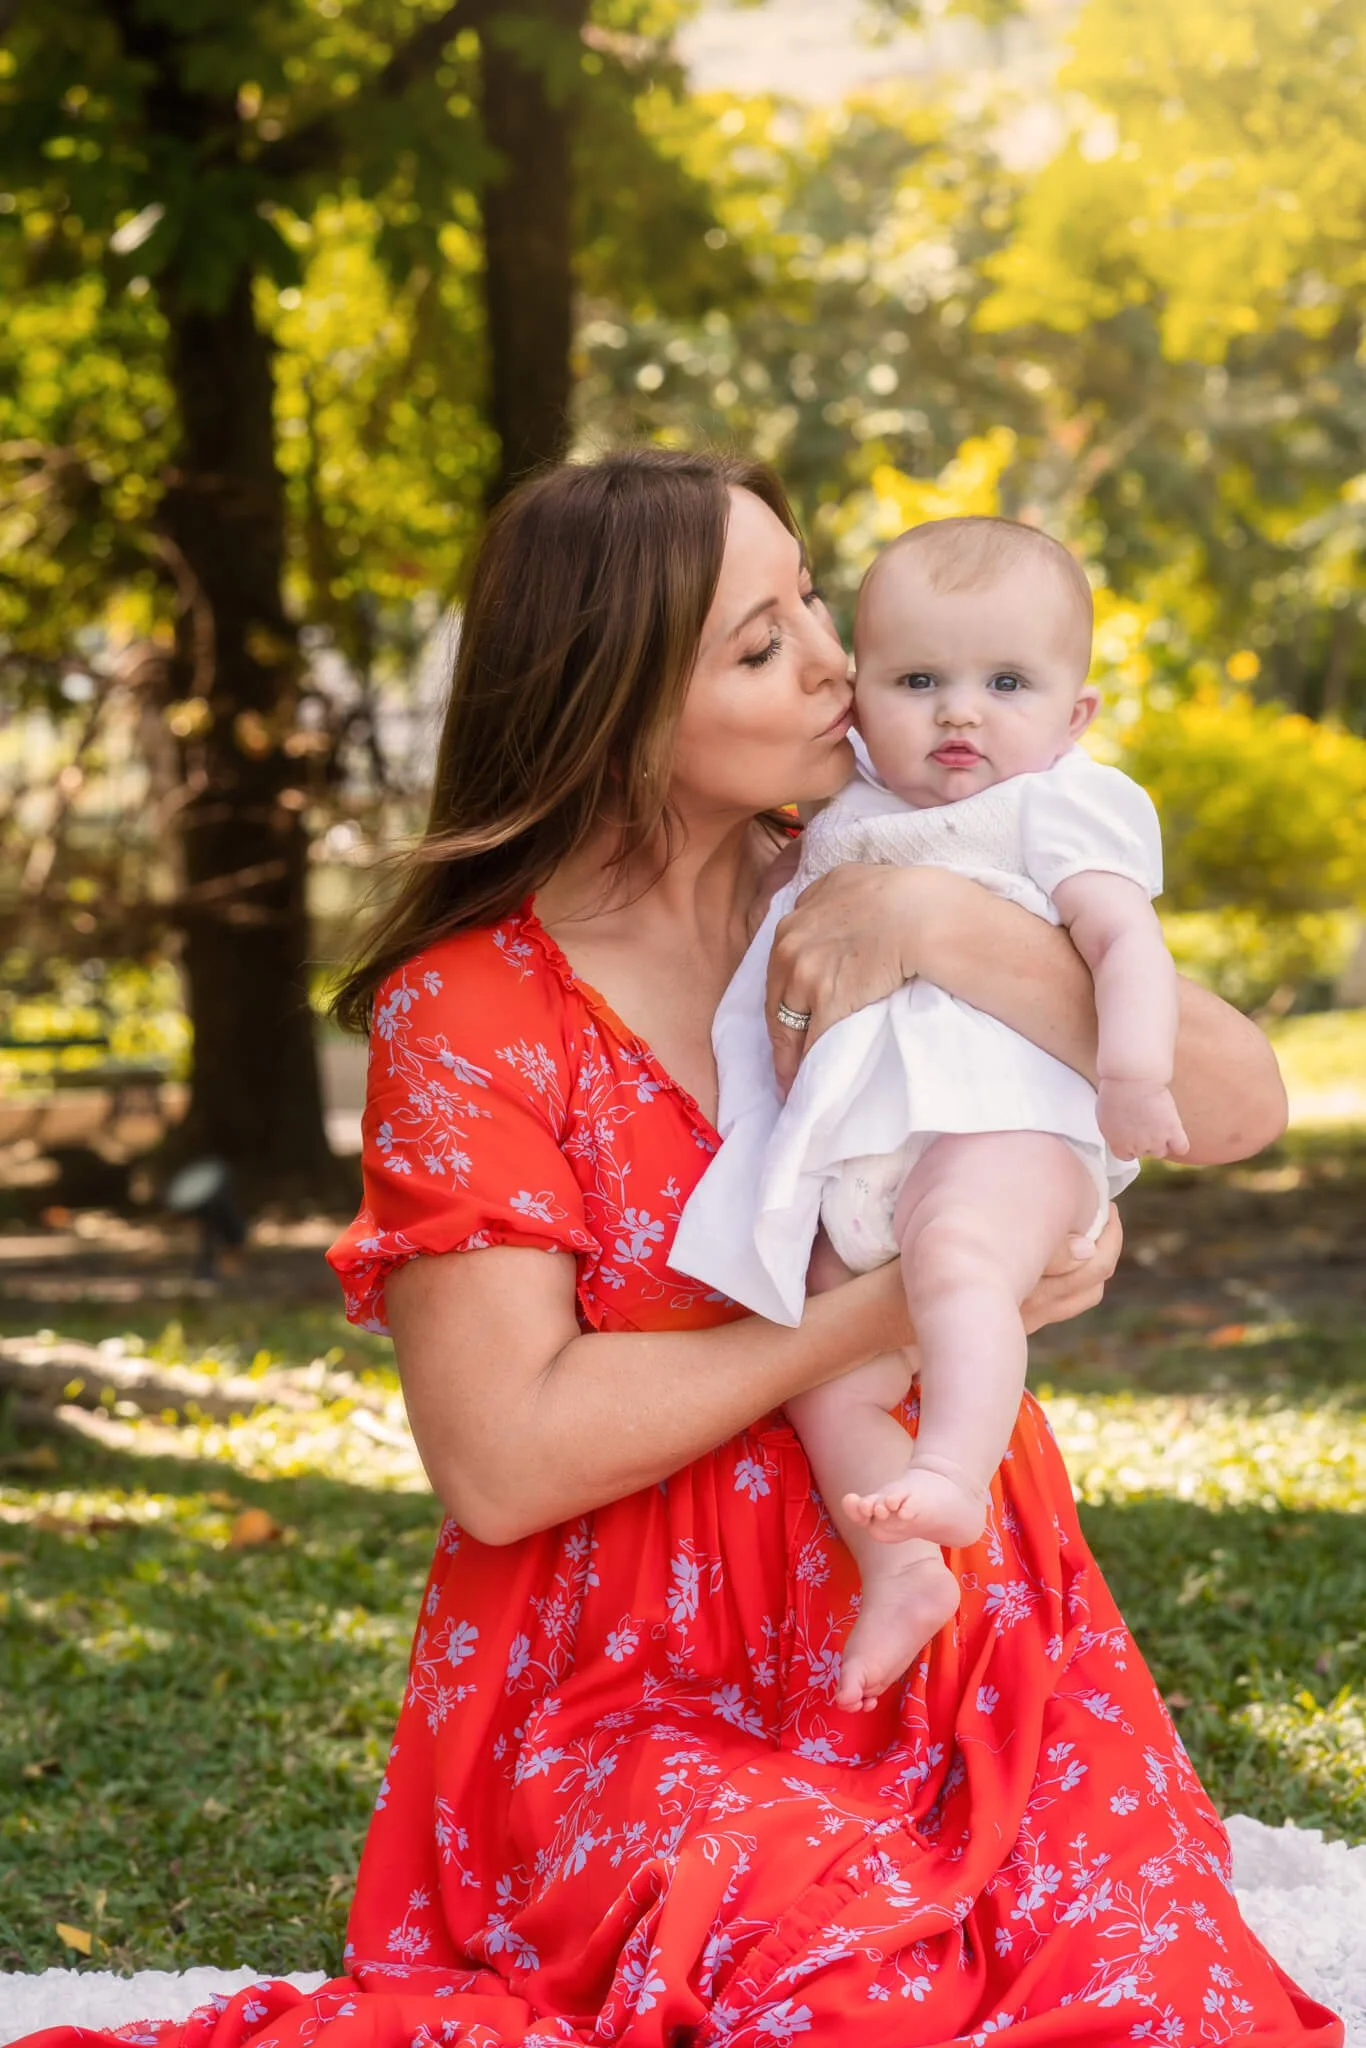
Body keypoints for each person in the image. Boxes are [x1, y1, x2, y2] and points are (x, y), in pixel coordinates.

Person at [15, 449, 1338, 2048]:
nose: (839, 665)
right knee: (832, 1988)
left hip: (959, 1617)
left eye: (809, 604)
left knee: (1134, 1998)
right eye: (763, 642)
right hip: (628, 1684)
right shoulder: (476, 1012)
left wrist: (945, 931)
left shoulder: (879, 862)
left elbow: (1233, 1104)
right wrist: (877, 1317)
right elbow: (500, 1460)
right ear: (616, 702)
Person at [671, 513, 1189, 1714]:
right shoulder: (841, 806)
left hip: (1006, 1130)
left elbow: (1127, 945)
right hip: (873, 1154)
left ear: (1075, 714)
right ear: (861, 703)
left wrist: (1134, 1075)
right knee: (821, 1364)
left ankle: (953, 1467)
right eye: (917, 680)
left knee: (956, 1255)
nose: (959, 713)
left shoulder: (1059, 803)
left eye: (1004, 682)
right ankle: (901, 1565)